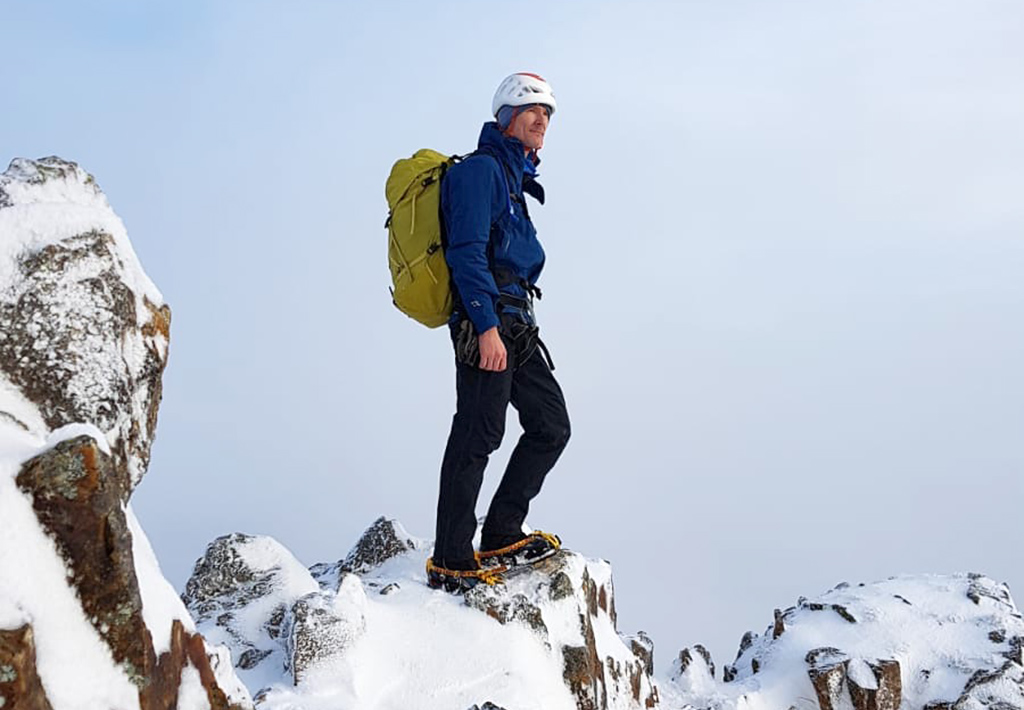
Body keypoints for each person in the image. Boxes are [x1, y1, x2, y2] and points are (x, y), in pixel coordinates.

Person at [427, 73, 571, 593]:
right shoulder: (480, 172)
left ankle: (502, 531)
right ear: (506, 115)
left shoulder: (513, 180)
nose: (542, 119)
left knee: (551, 425)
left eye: (548, 112)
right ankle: (450, 556)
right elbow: (465, 253)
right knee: (479, 431)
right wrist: (485, 327)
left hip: (518, 323)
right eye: (531, 108)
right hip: (485, 321)